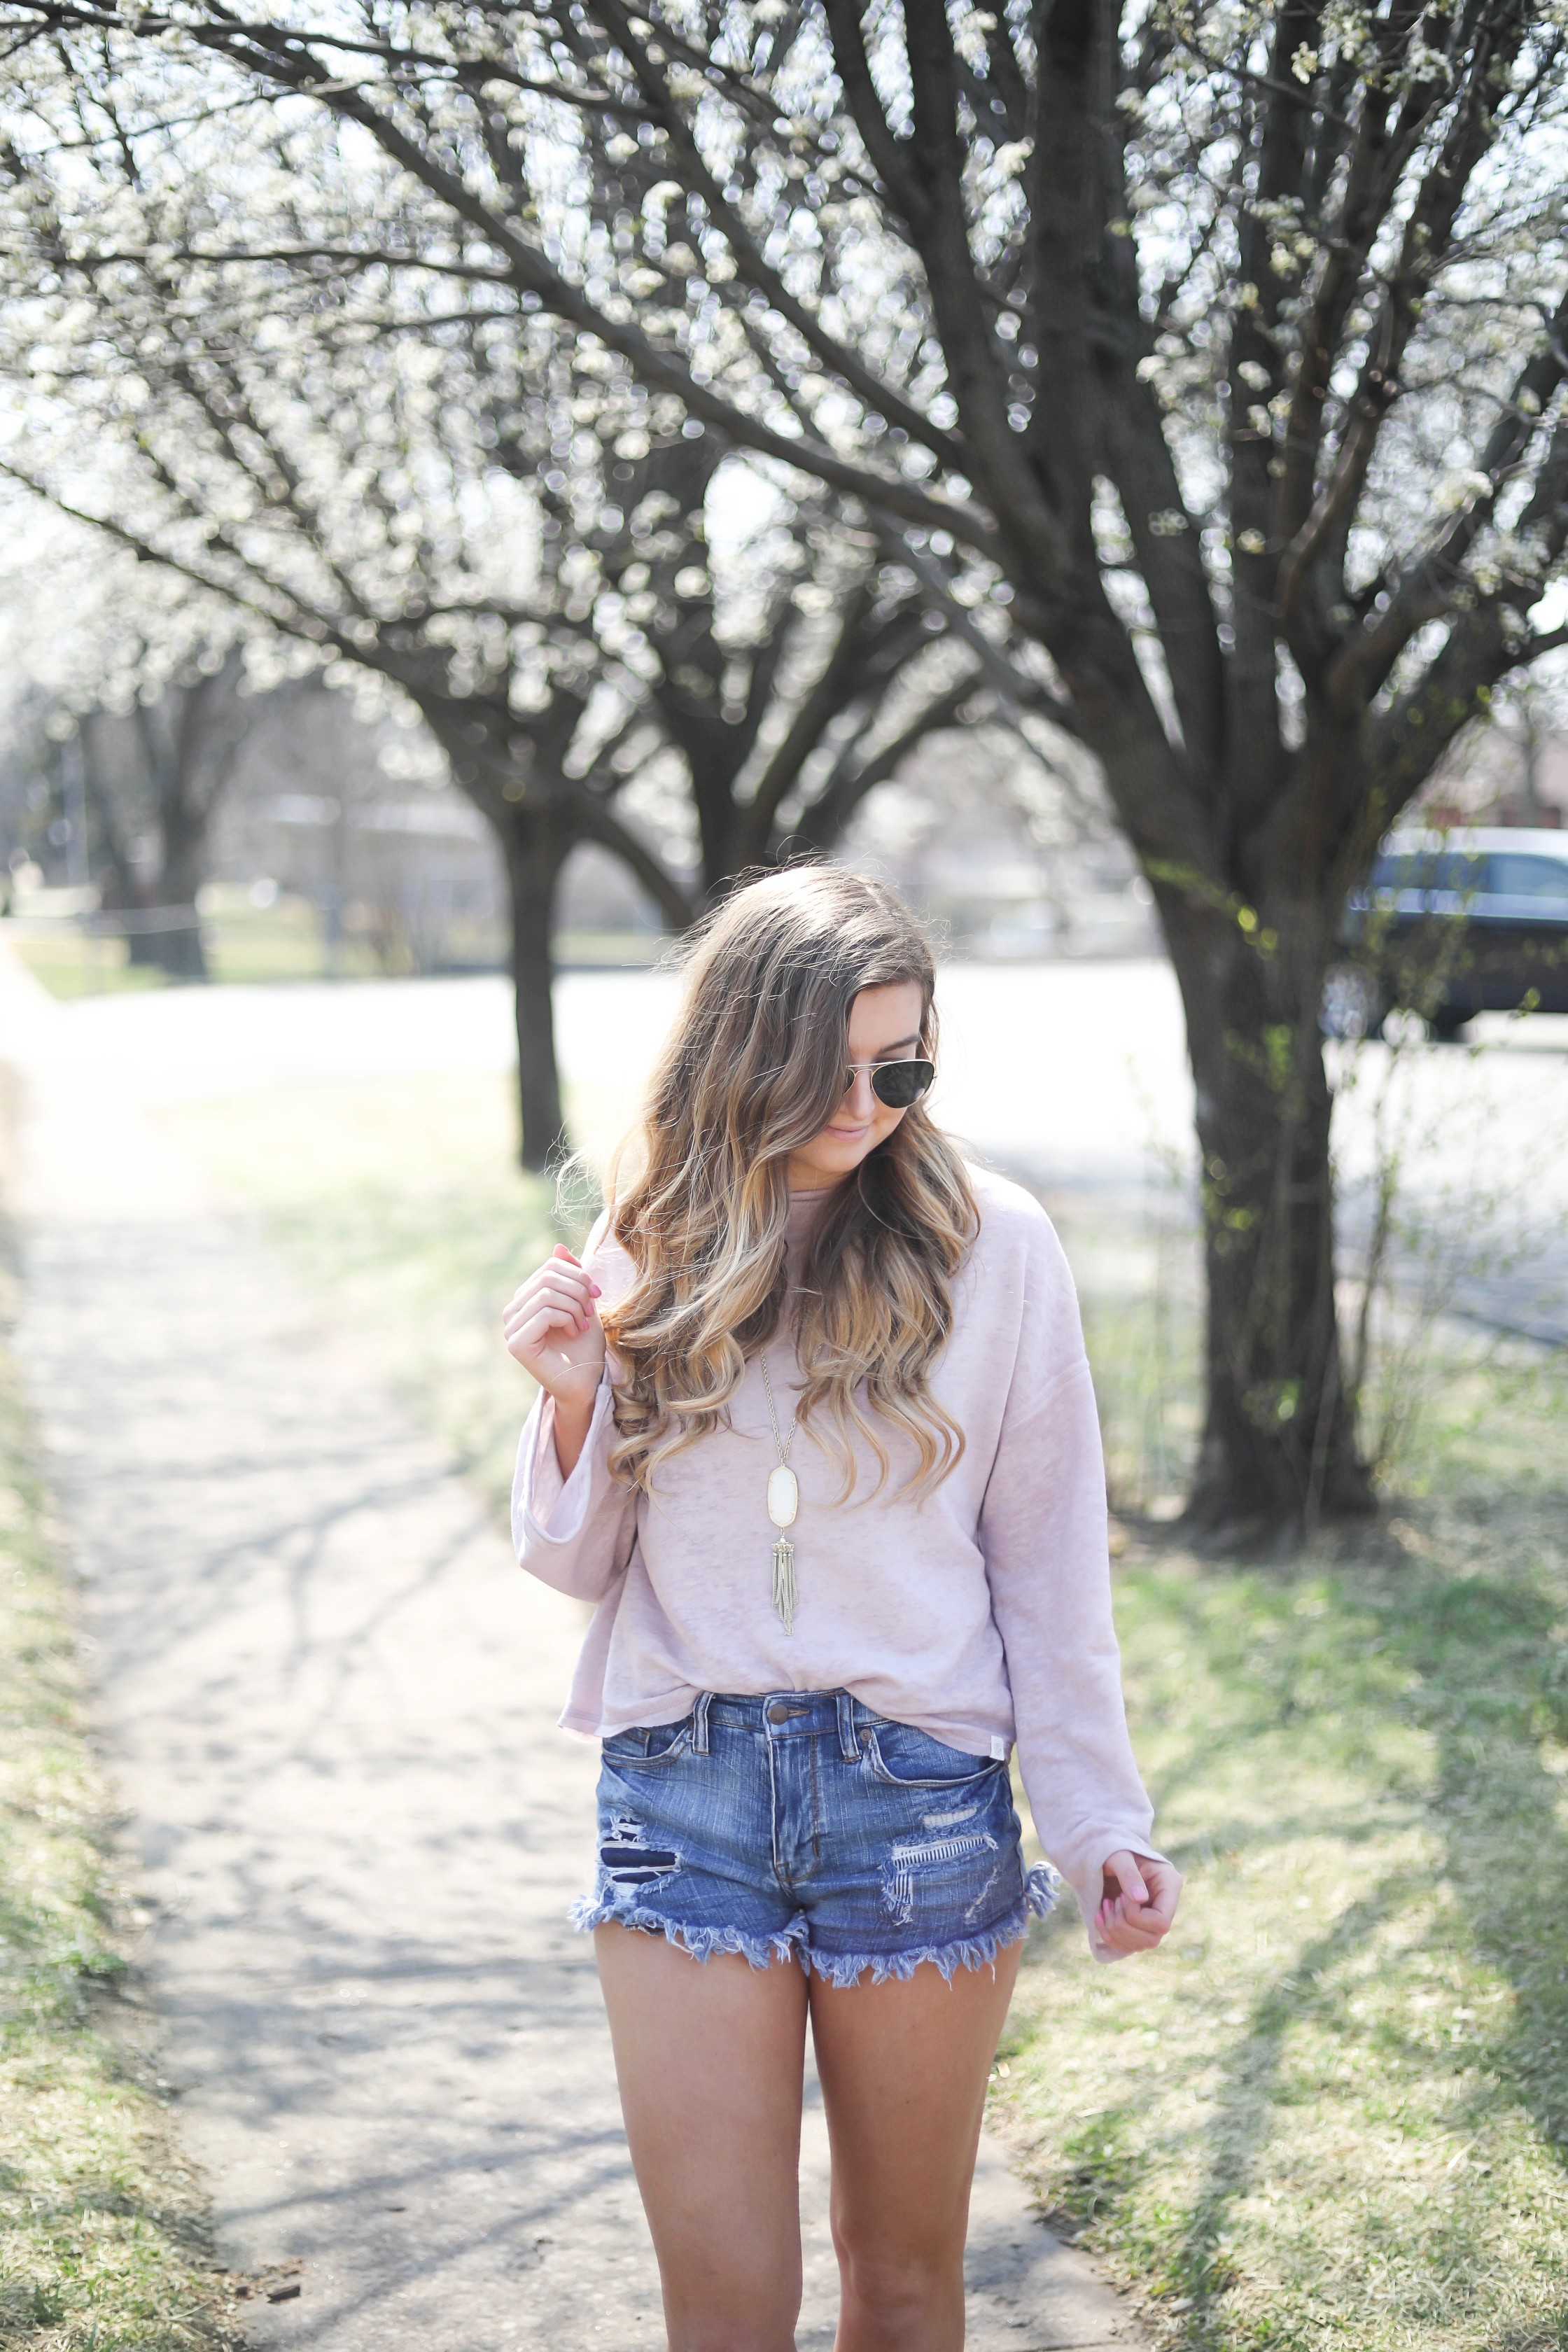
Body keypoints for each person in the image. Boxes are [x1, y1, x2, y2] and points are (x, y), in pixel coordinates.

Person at [503, 866, 1180, 2352]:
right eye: (837, 1065)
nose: (871, 1102)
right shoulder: (646, 1244)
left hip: (920, 1801)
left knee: (900, 2276)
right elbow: (573, 1561)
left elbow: (1051, 1576)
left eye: (907, 1065)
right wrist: (569, 1411)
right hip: (683, 1793)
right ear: (747, 1048)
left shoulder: (997, 1250)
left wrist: (1097, 1820)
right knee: (728, 2305)